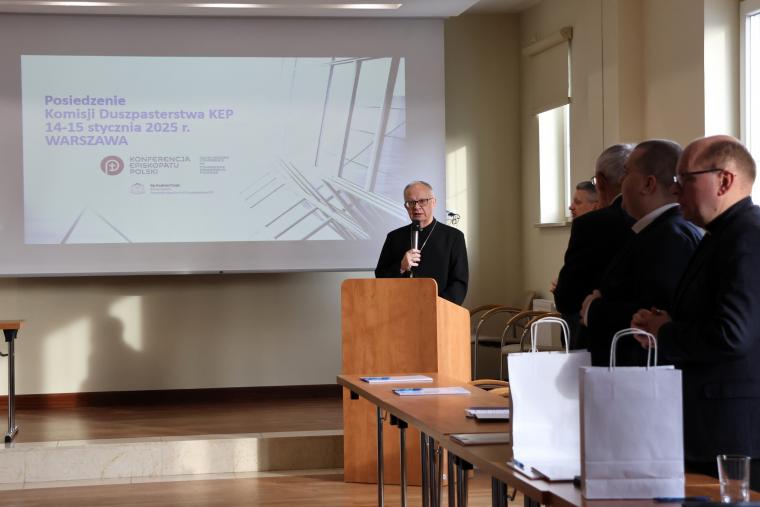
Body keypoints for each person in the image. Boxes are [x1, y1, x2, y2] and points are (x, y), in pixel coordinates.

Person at [631, 135, 760, 489]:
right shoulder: (719, 235)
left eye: (685, 178)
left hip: (733, 433)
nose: (675, 190)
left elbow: (731, 334)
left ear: (724, 181)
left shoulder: (746, 236)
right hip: (712, 424)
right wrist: (661, 324)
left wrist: (665, 332)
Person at [579, 140, 701, 366]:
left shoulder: (670, 237)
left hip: (647, 371)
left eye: (626, 173)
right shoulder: (655, 230)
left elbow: (657, 312)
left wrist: (594, 309)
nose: (621, 182)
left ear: (648, 184)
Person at [553, 143, 635, 348]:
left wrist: (563, 289)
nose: (571, 207)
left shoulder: (590, 225)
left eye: (577, 202)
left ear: (600, 181)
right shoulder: (664, 223)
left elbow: (567, 298)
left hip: (598, 339)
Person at [375, 181, 468, 305]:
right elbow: (380, 277)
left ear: (433, 202)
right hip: (399, 308)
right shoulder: (394, 237)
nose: (416, 207)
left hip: (438, 310)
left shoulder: (454, 237)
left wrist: (434, 305)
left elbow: (459, 283)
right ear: (406, 207)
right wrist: (401, 267)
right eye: (411, 203)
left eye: (422, 201)